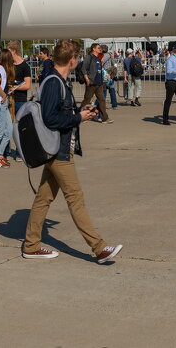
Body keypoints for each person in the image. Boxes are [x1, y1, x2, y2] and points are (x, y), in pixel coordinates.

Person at [21, 39, 123, 264]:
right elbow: (50, 118)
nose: (78, 60)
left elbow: (58, 112)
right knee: (75, 197)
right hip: (57, 151)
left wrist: (79, 110)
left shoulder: (59, 81)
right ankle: (99, 247)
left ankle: (31, 244)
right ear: (72, 60)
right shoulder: (53, 82)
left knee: (43, 198)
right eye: (77, 57)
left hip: (58, 149)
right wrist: (78, 117)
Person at [80, 44, 110, 123]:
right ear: (94, 49)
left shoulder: (98, 58)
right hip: (91, 82)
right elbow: (83, 69)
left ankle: (104, 118)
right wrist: (86, 79)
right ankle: (80, 115)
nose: (100, 49)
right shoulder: (89, 57)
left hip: (99, 83)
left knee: (102, 100)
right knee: (87, 100)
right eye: (98, 48)